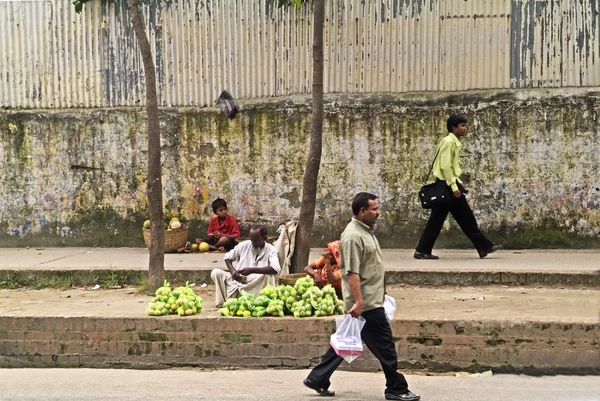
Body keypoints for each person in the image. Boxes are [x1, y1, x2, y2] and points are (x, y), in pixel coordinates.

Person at [304, 192, 420, 401]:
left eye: (377, 208)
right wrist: (359, 302)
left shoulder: (365, 231)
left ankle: (318, 378)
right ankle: (396, 388)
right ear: (362, 211)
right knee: (385, 346)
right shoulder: (353, 236)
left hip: (370, 298)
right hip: (366, 303)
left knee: (347, 338)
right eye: (374, 209)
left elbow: (369, 267)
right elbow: (352, 273)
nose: (378, 212)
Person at [414, 115, 502, 260]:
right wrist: (454, 187)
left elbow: (451, 168)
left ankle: (423, 250)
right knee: (460, 218)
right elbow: (445, 167)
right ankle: (483, 246)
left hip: (449, 183)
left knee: (453, 218)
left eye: (465, 125)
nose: (465, 128)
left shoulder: (453, 142)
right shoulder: (449, 142)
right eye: (462, 125)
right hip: (447, 186)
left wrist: (459, 182)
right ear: (454, 128)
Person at [210, 224, 280, 307]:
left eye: (256, 241)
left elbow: (275, 268)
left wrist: (252, 270)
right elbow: (227, 257)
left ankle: (260, 301)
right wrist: (233, 271)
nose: (253, 243)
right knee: (216, 272)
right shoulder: (244, 245)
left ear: (264, 238)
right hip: (239, 281)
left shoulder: (271, 250)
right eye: (251, 240)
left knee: (269, 276)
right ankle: (223, 302)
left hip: (257, 284)